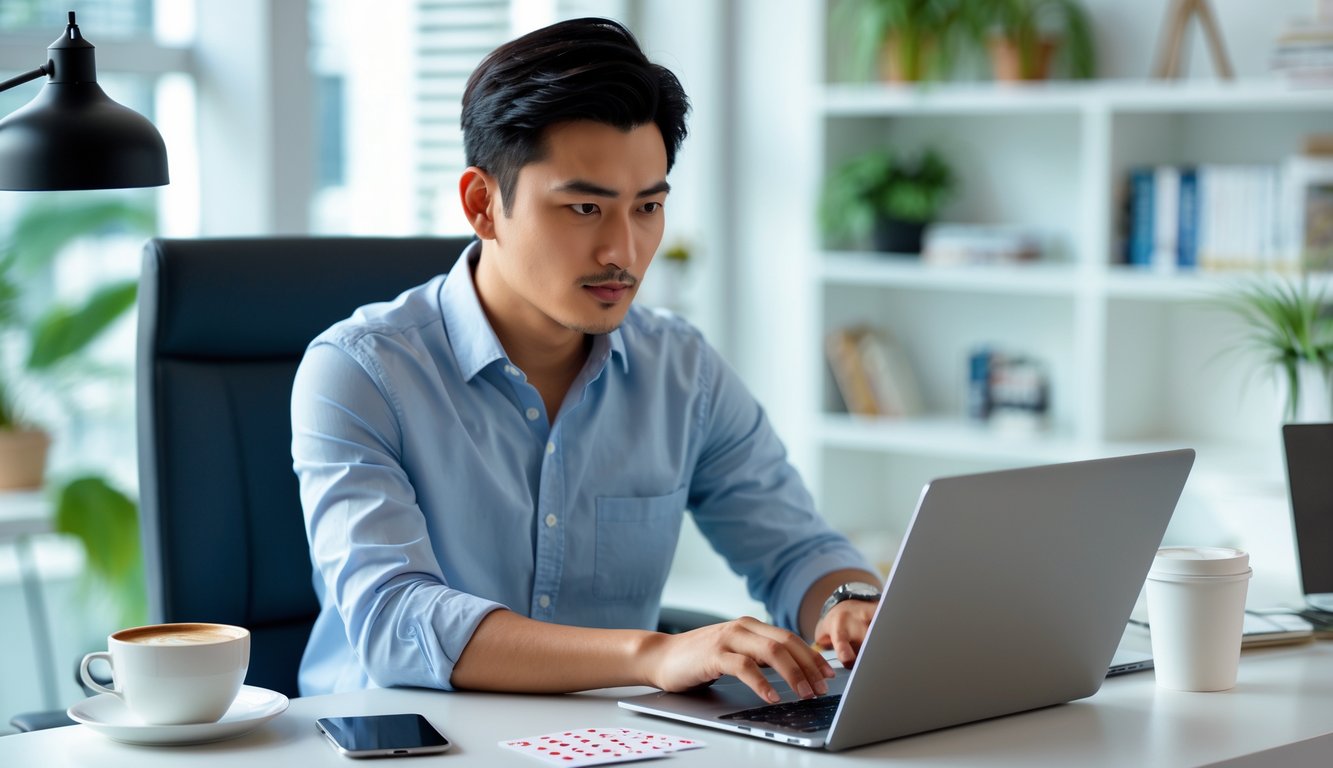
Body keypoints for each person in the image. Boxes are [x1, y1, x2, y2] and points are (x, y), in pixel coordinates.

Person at [291, 16, 880, 705]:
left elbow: (794, 550)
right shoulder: (360, 372)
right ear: (483, 204)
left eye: (647, 207)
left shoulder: (681, 372)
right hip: (398, 741)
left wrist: (848, 605)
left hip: (608, 743)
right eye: (582, 208)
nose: (623, 253)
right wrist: (651, 654)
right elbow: (394, 620)